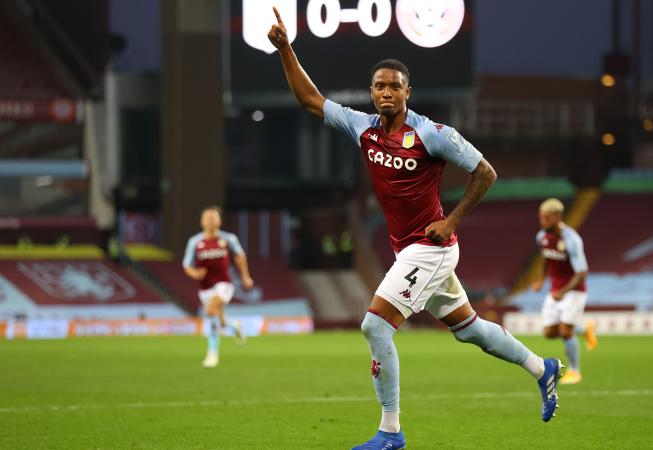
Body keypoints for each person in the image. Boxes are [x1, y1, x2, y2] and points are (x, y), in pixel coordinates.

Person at [267, 8, 563, 449]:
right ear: (372, 92)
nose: (387, 92)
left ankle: (391, 432)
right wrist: (286, 49)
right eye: (380, 86)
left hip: (432, 246)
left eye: (395, 86)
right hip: (407, 249)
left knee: (375, 326)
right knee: (471, 330)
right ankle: (543, 368)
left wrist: (452, 219)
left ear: (408, 92)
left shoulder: (432, 133)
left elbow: (485, 172)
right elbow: (311, 99)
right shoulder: (363, 128)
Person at [531, 198, 597, 385]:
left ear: (558, 217)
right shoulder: (541, 237)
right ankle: (584, 329)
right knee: (549, 332)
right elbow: (546, 257)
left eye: (547, 218)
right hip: (555, 290)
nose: (543, 222)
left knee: (566, 332)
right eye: (541, 218)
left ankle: (575, 371)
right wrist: (541, 279)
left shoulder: (571, 240)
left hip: (574, 291)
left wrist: (563, 291)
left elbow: (581, 272)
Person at [183, 206, 254, 368]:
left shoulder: (228, 239)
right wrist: (194, 273)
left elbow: (240, 256)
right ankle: (234, 325)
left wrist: (245, 276)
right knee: (216, 315)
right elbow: (186, 265)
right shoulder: (194, 242)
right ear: (201, 222)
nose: (210, 220)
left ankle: (212, 354)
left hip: (224, 285)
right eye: (207, 217)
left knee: (210, 311)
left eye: (213, 217)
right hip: (205, 288)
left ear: (220, 221)